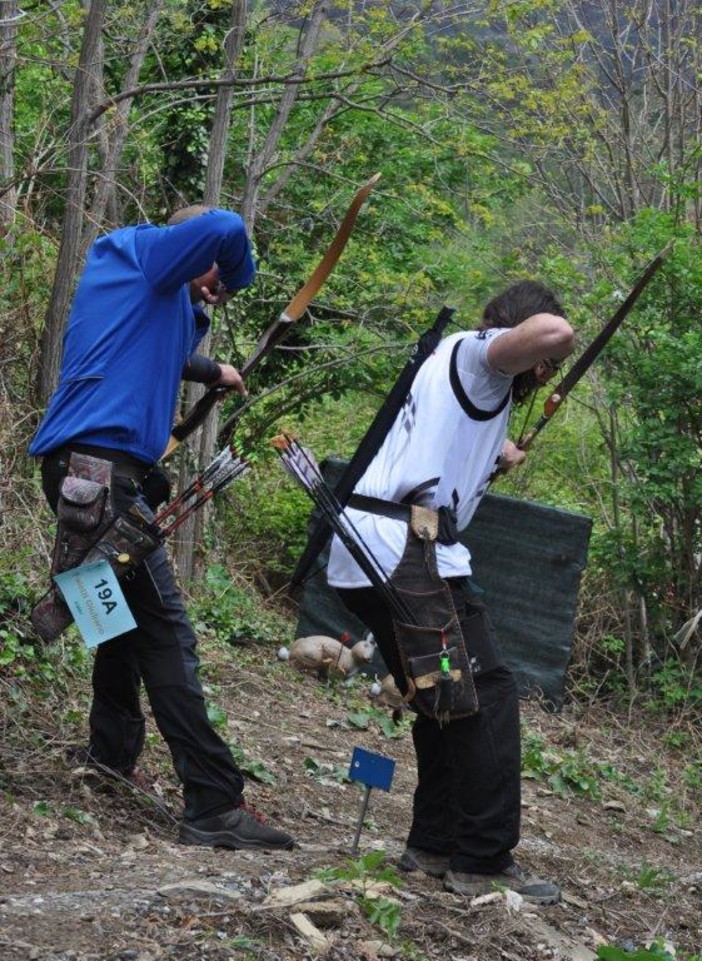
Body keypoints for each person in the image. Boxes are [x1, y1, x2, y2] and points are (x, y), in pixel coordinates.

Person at [29, 205, 294, 851]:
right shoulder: (138, 251)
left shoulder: (146, 292)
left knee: (115, 624)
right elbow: (227, 228)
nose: (215, 287)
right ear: (184, 245)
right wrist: (233, 276)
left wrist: (215, 369)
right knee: (167, 632)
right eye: (209, 275)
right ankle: (212, 800)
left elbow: (157, 352)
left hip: (84, 474)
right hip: (101, 476)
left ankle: (109, 753)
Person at [327, 280, 575, 901]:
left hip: (372, 547)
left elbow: (440, 453)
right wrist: (550, 345)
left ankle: (433, 844)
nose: (543, 375)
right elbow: (554, 335)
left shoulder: (462, 376)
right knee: (486, 693)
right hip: (406, 550)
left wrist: (496, 454)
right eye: (541, 369)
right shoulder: (476, 354)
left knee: (442, 693)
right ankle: (482, 858)